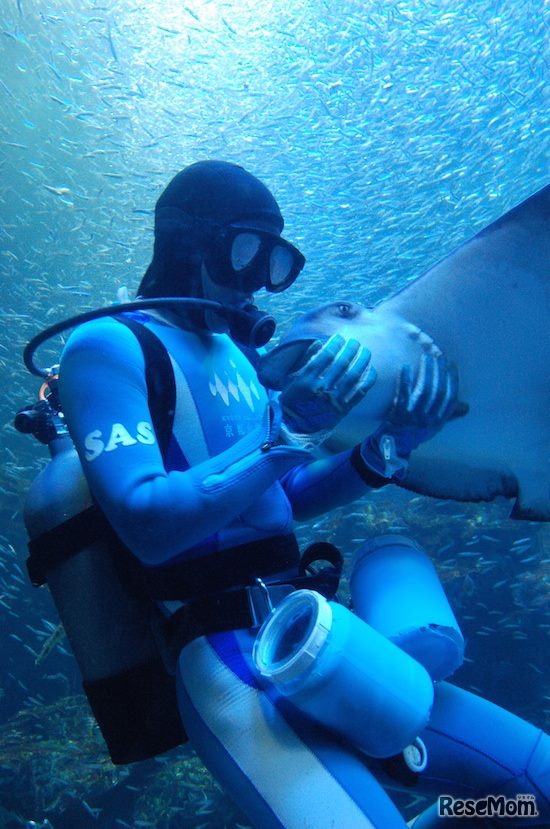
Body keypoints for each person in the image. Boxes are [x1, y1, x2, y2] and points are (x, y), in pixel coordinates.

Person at [57, 161, 549, 827]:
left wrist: (386, 448)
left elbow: (278, 496)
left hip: (324, 632)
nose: (261, 280)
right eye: (247, 252)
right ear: (187, 241)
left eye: (278, 262)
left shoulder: (238, 360)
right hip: (229, 662)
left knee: (530, 789)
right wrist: (283, 427)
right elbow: (148, 522)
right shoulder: (109, 346)